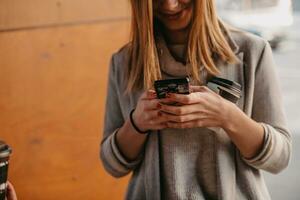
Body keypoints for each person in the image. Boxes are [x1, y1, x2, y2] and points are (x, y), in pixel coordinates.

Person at [100, 0, 291, 199]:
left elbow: (280, 158)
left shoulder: (252, 51)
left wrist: (228, 116)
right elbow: (112, 165)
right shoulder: (123, 62)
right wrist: (137, 124)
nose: (169, 5)